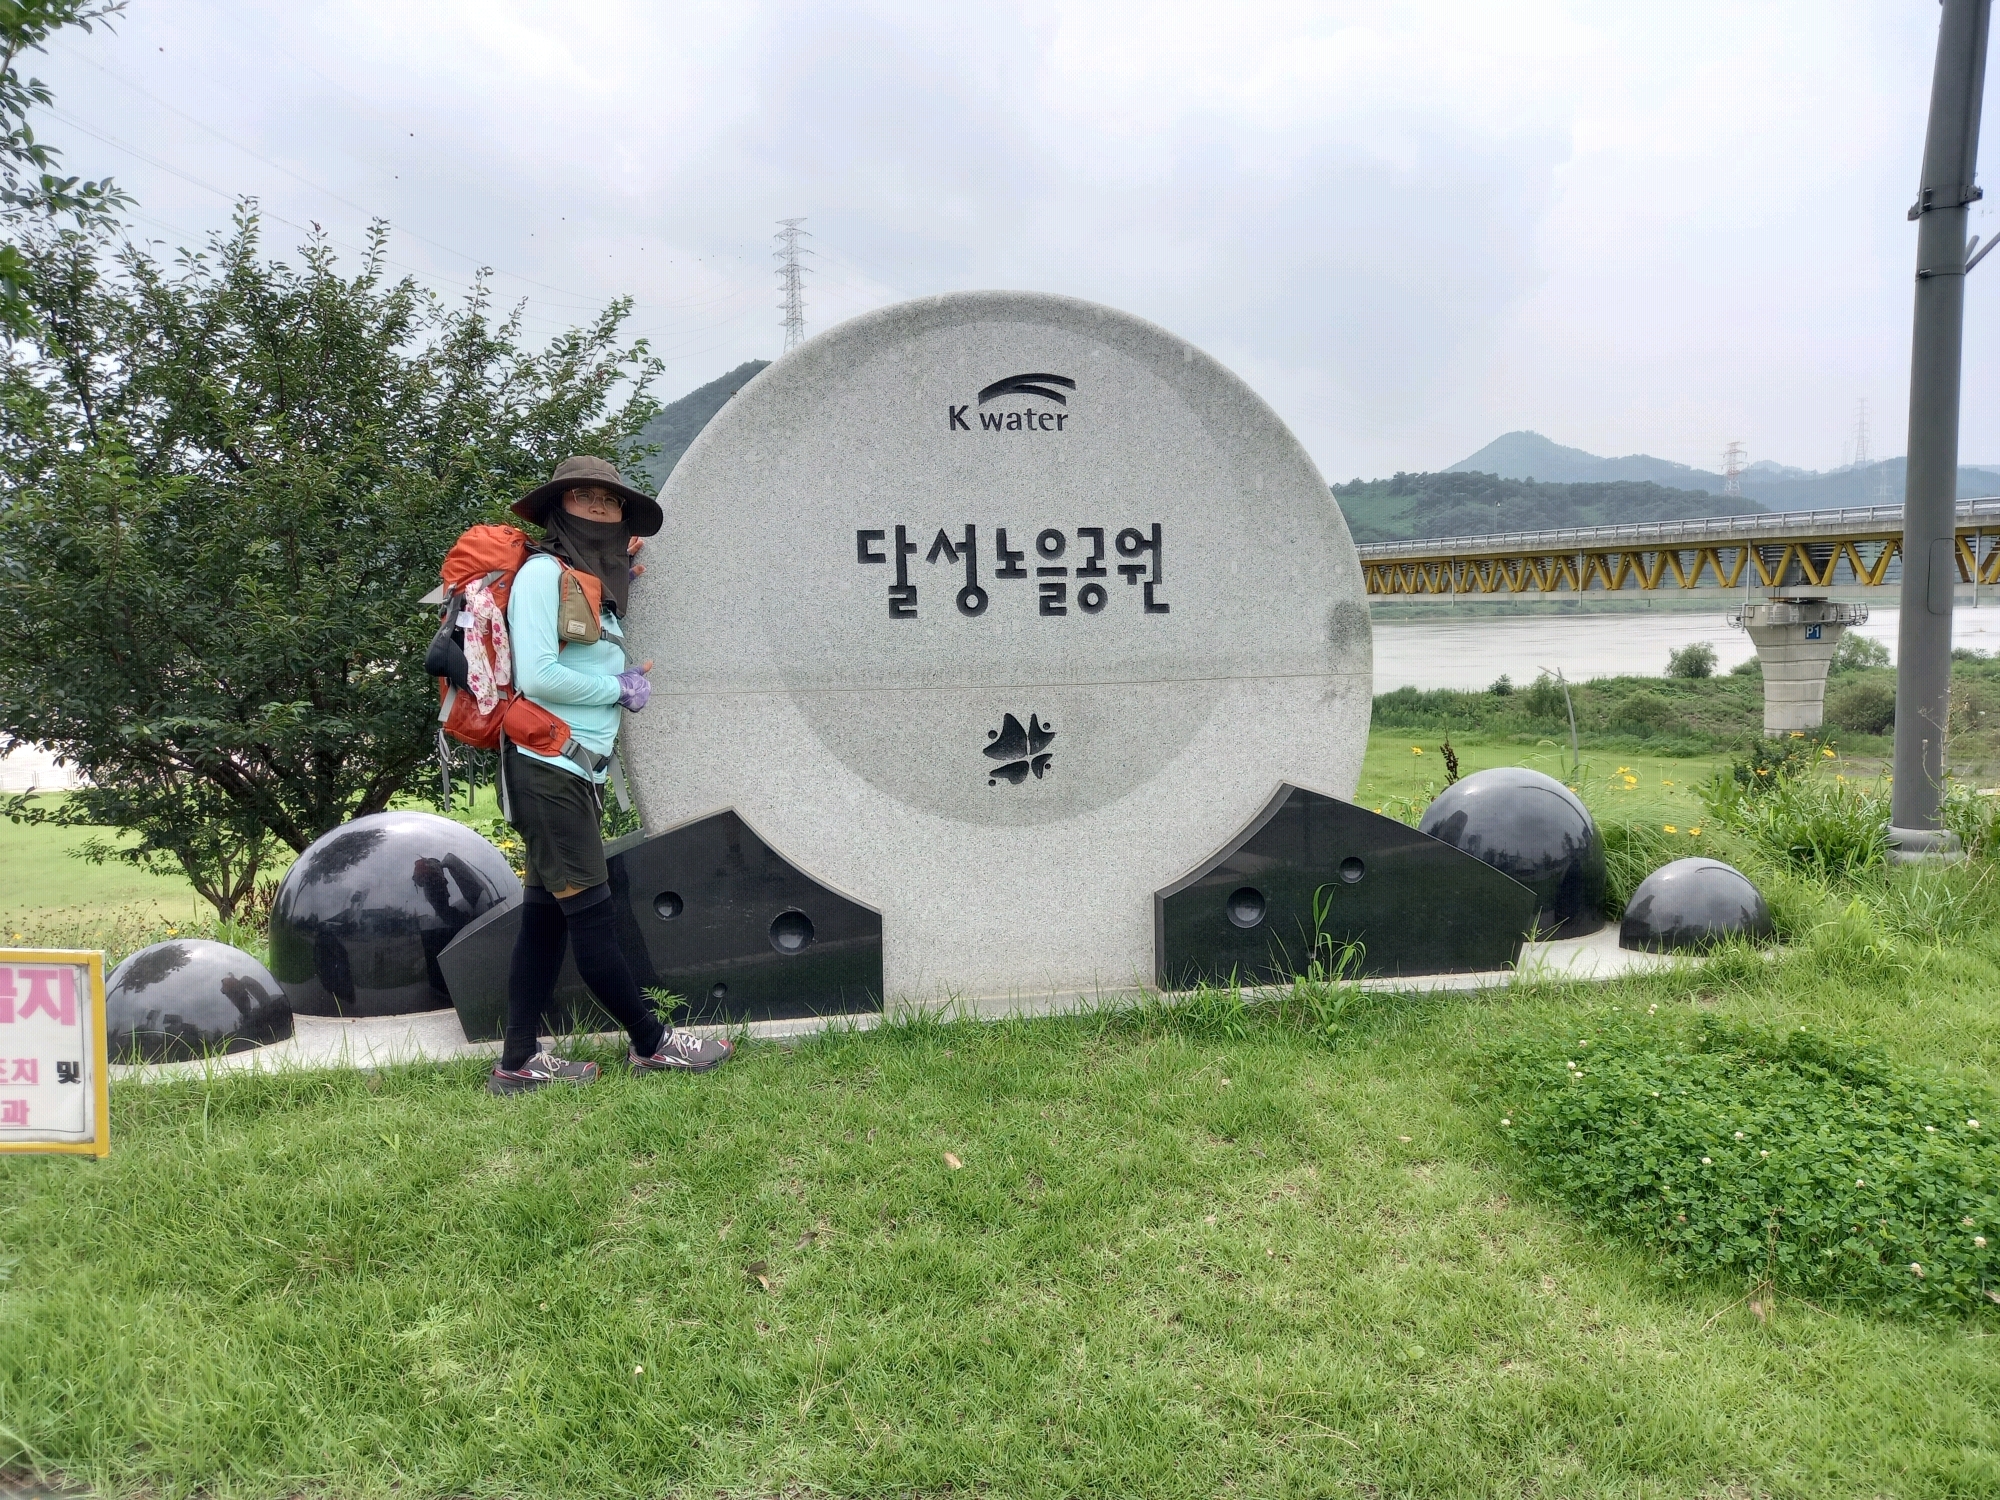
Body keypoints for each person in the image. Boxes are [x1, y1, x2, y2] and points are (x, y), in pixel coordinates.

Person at [486, 455, 733, 1094]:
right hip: (549, 773)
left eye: (611, 500)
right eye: (583, 497)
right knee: (592, 920)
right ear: (557, 508)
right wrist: (616, 688)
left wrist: (621, 571)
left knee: (544, 922)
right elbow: (539, 675)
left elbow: (587, 637)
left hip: (570, 773)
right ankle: (652, 1043)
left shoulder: (589, 579)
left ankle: (517, 1061)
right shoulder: (542, 575)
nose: (599, 507)